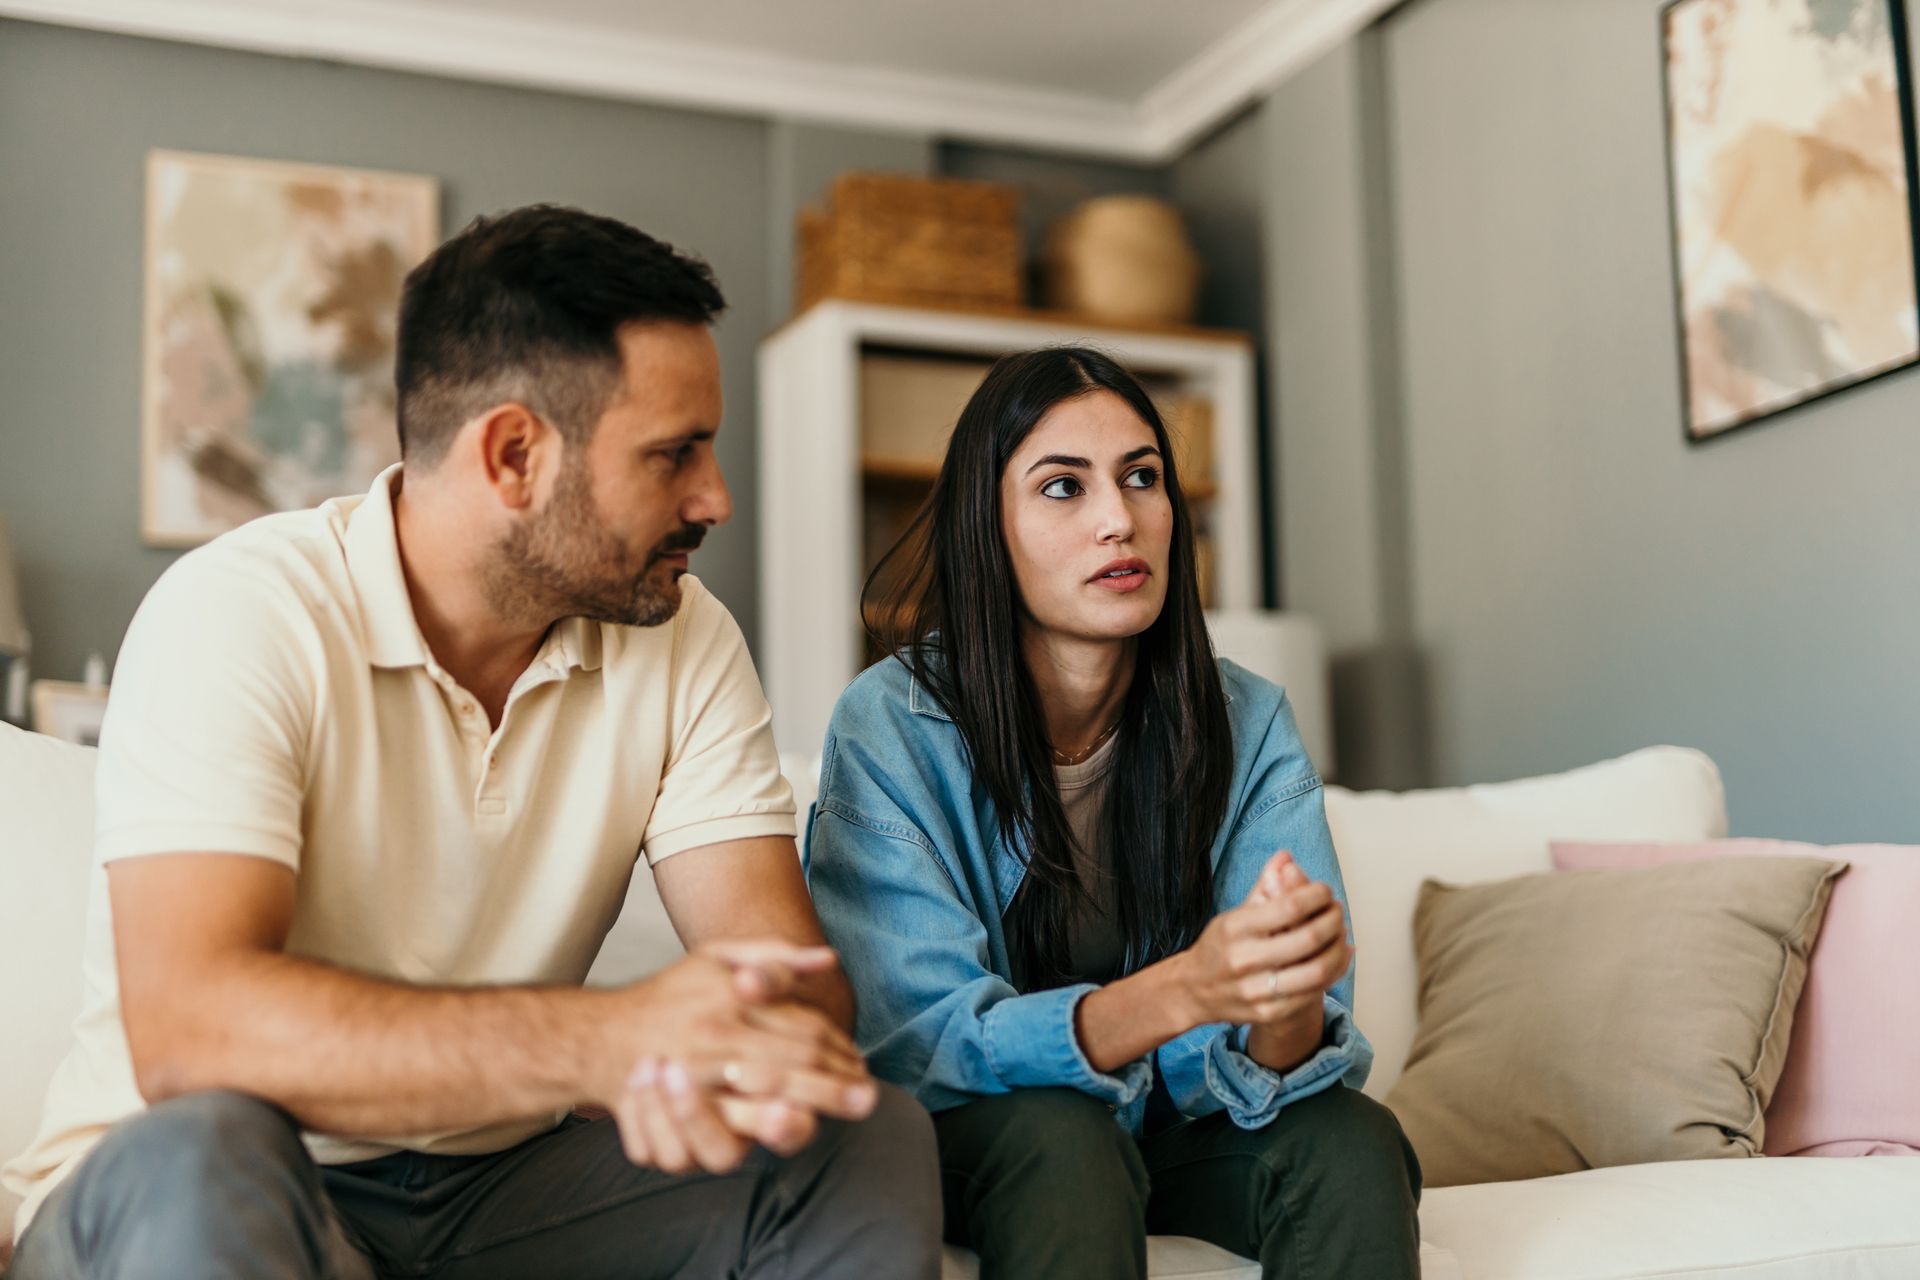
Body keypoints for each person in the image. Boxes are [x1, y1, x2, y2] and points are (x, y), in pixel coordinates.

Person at [3, 205, 941, 1280]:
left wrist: (736, 1045)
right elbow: (194, 1033)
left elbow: (792, 987)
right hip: (209, 1183)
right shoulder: (239, 612)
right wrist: (602, 1040)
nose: (714, 497)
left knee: (858, 1137)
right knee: (207, 1150)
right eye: (672, 454)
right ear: (512, 454)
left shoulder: (683, 638)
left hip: (496, 1196)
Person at [803, 346, 1422, 1279]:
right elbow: (920, 1042)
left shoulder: (1248, 721)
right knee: (1064, 1136)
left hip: (1172, 1126)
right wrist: (1185, 991)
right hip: (978, 1133)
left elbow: (1290, 1061)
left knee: (1350, 1137)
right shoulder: (891, 724)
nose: (1118, 520)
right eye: (1063, 488)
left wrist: (1283, 1000)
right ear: (989, 526)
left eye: (1142, 478)